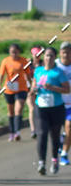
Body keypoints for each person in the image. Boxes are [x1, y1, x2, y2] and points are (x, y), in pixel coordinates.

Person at [29, 44, 69, 175]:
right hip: (41, 107)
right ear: (43, 57)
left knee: (55, 136)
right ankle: (41, 162)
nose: (49, 58)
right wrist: (33, 90)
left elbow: (67, 89)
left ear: (55, 57)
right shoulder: (38, 70)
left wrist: (53, 88)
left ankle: (54, 160)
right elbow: (33, 86)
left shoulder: (59, 73)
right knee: (42, 134)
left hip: (56, 108)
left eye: (51, 56)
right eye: (47, 55)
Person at [0, 43, 30, 142]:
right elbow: (1, 75)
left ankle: (17, 132)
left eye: (16, 52)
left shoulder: (24, 61)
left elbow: (28, 75)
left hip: (22, 88)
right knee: (11, 112)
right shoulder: (5, 61)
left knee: (18, 110)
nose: (14, 54)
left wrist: (32, 85)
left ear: (19, 52)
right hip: (9, 89)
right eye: (12, 52)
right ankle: (11, 132)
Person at [55, 40, 71, 165]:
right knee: (57, 130)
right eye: (64, 52)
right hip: (56, 104)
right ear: (60, 53)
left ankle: (64, 154)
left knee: (69, 126)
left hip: (70, 105)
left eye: (68, 52)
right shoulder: (55, 65)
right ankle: (62, 139)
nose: (66, 55)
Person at [27, 46, 43, 139]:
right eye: (35, 54)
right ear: (32, 54)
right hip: (29, 89)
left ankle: (40, 127)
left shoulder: (43, 64)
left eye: (39, 54)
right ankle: (33, 130)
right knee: (32, 108)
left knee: (40, 109)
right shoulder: (28, 64)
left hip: (41, 89)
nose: (37, 56)